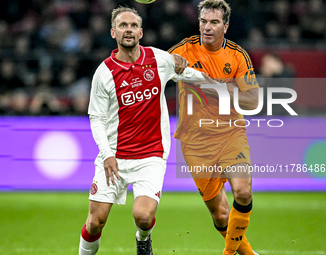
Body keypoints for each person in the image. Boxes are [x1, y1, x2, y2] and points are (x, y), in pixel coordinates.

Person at [78, 6, 207, 255]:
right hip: (114, 154)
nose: (129, 30)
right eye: (123, 26)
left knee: (143, 217)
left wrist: (221, 83)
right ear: (113, 32)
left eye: (133, 26)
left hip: (151, 154)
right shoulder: (104, 72)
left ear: (141, 32)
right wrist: (106, 154)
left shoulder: (159, 59)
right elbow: (96, 118)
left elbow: (189, 73)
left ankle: (143, 238)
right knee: (95, 222)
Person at [168, 1, 260, 254]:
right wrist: (167, 63)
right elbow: (150, 69)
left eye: (214, 22)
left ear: (225, 26)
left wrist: (219, 89)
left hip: (230, 133)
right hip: (194, 141)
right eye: (203, 21)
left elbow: (253, 100)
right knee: (220, 215)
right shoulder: (182, 50)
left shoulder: (237, 55)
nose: (207, 27)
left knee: (242, 191)